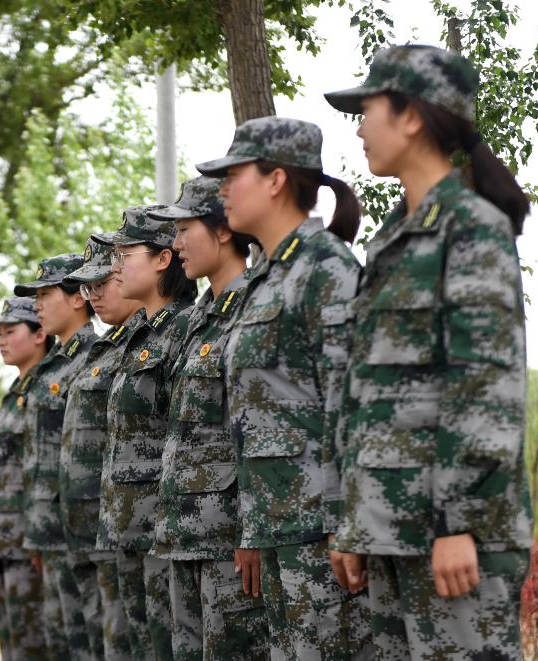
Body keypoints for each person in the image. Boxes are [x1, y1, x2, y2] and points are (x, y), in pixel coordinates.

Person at [324, 44, 532, 659]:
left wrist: (457, 521)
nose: (359, 128)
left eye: (368, 111)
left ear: (411, 116)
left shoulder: (471, 227)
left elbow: (485, 384)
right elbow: (367, 396)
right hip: (391, 531)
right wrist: (356, 521)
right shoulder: (391, 239)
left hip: (453, 539)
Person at [196, 117, 372, 660]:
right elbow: (255, 418)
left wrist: (347, 525)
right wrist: (251, 527)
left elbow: (350, 403)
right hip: (276, 529)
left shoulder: (326, 268)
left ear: (276, 180)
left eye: (234, 176)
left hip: (319, 532)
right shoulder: (266, 280)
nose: (223, 190)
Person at [149, 175, 271, 660]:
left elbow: (260, 426)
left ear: (222, 231)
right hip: (185, 535)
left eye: (185, 230)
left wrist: (251, 530)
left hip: (230, 543)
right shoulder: (199, 319)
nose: (176, 244)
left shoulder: (252, 306)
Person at [96, 206, 197, 661]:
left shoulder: (184, 329)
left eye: (125, 255)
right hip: (127, 530)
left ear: (163, 259)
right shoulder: (139, 335)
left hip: (163, 531)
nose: (115, 268)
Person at [60, 233, 144, 661]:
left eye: (102, 283)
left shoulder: (144, 343)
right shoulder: (109, 348)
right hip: (95, 525)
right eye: (87, 286)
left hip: (127, 526)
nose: (93, 294)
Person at [15, 254, 99, 659]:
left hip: (81, 530)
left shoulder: (94, 357)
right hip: (50, 529)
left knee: (87, 640)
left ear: (78, 298)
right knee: (60, 641)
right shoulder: (52, 365)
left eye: (45, 295)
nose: (37, 306)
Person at [0, 296, 53, 660]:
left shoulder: (47, 389)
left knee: (33, 644)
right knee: (12, 644)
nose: (1, 340)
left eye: (10, 331)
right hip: (5, 538)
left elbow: (46, 469)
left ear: (40, 334)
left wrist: (38, 535)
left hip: (30, 540)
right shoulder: (15, 393)